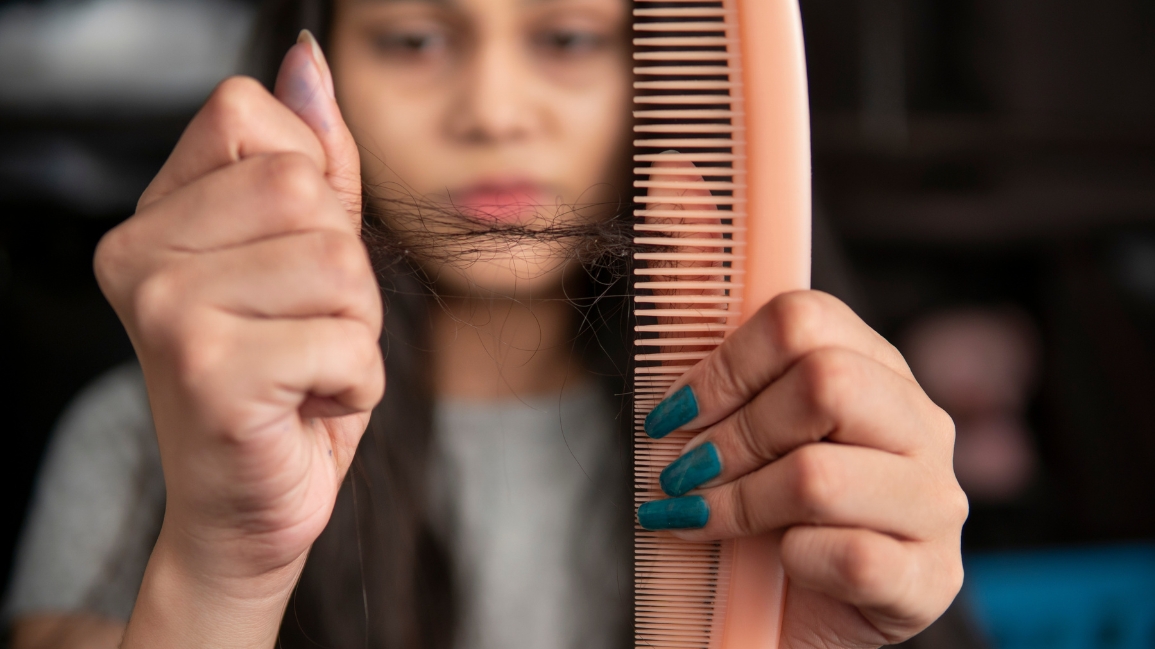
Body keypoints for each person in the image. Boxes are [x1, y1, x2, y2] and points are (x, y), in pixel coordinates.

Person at [3, 0, 969, 648]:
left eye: (567, 37)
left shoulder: (795, 455)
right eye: (416, 40)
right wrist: (219, 569)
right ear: (319, 64)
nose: (496, 112)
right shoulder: (148, 441)